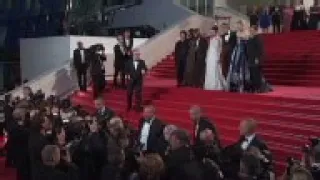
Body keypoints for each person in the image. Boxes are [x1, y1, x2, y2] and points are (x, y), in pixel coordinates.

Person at [226, 20, 251, 93]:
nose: (238, 27)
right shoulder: (236, 32)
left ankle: (244, 85)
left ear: (242, 25)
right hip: (237, 50)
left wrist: (241, 36)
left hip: (243, 51)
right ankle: (236, 85)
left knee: (243, 68)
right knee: (235, 66)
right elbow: (230, 40)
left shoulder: (246, 31)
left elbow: (247, 38)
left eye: (239, 25)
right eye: (237, 25)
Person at [204, 26, 225, 91]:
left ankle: (216, 85)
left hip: (215, 56)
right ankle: (209, 85)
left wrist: (219, 57)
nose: (211, 32)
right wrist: (207, 57)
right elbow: (209, 48)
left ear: (216, 31)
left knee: (215, 70)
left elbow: (220, 49)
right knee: (209, 70)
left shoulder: (219, 38)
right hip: (210, 56)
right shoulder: (210, 39)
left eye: (212, 31)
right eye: (211, 31)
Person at [247, 25, 265, 93]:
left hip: (256, 59)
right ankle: (253, 88)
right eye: (250, 30)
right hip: (250, 59)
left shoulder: (258, 38)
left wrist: (257, 58)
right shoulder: (250, 38)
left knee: (256, 74)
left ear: (255, 31)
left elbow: (260, 50)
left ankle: (258, 88)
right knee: (251, 74)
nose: (251, 31)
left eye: (252, 30)